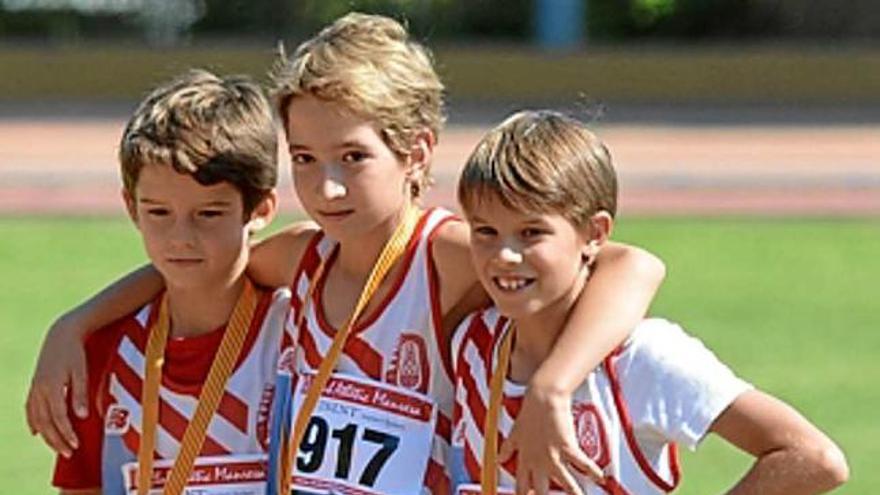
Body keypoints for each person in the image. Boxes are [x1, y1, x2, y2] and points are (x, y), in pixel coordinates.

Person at [29, 13, 665, 495]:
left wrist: (554, 387)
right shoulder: (304, 257)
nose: (326, 187)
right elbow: (197, 261)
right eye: (304, 159)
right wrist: (75, 324)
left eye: (353, 158)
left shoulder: (445, 256)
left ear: (416, 153)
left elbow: (631, 264)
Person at [450, 110, 849, 495]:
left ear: (595, 233)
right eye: (485, 231)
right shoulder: (474, 343)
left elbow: (814, 458)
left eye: (532, 232)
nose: (503, 255)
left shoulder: (644, 357)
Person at [51, 69, 291, 494]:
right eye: (159, 213)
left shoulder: (299, 331)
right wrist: (70, 325)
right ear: (131, 206)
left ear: (261, 209)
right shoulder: (97, 350)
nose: (181, 237)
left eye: (209, 214)